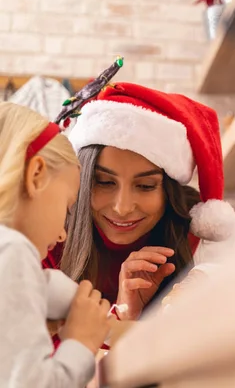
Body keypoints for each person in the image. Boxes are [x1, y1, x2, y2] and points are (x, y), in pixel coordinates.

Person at [43, 83, 235, 327]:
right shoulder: (48, 237)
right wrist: (121, 317)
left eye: (145, 186)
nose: (122, 208)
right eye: (103, 182)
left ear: (169, 192)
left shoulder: (192, 235)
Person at [0, 102, 112, 387]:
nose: (63, 235)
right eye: (67, 207)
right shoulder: (12, 250)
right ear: (36, 175)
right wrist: (82, 343)